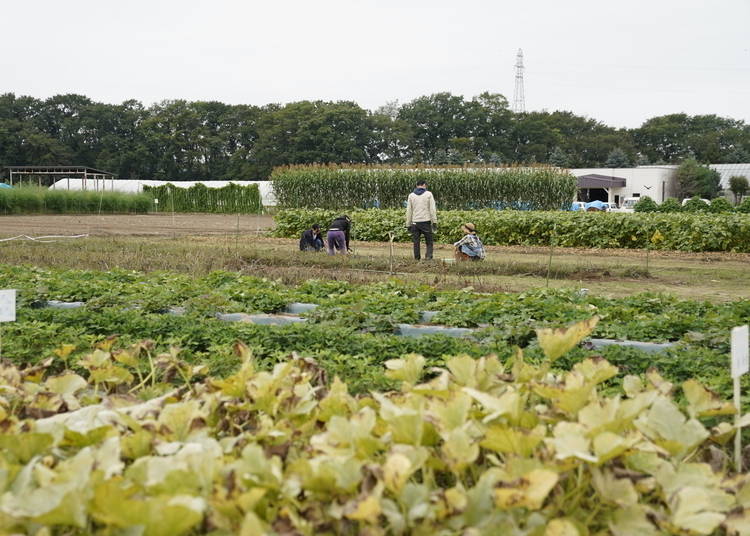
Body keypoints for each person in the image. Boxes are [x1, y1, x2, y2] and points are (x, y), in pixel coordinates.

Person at [405, 180, 437, 260]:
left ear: (416, 185)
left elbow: (409, 211)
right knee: (429, 241)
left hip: (415, 222)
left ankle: (417, 258)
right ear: (424, 185)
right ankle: (428, 257)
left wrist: (408, 224)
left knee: (416, 242)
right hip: (426, 221)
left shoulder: (411, 195)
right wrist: (434, 222)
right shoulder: (429, 194)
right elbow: (432, 210)